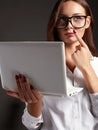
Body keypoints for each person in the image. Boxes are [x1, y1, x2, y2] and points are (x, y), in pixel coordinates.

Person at [6, 0, 98, 130]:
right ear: (55, 23)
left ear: (87, 22)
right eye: (62, 19)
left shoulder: (97, 66)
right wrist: (35, 101)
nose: (69, 26)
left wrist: (87, 68)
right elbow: (31, 125)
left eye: (77, 18)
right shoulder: (41, 67)